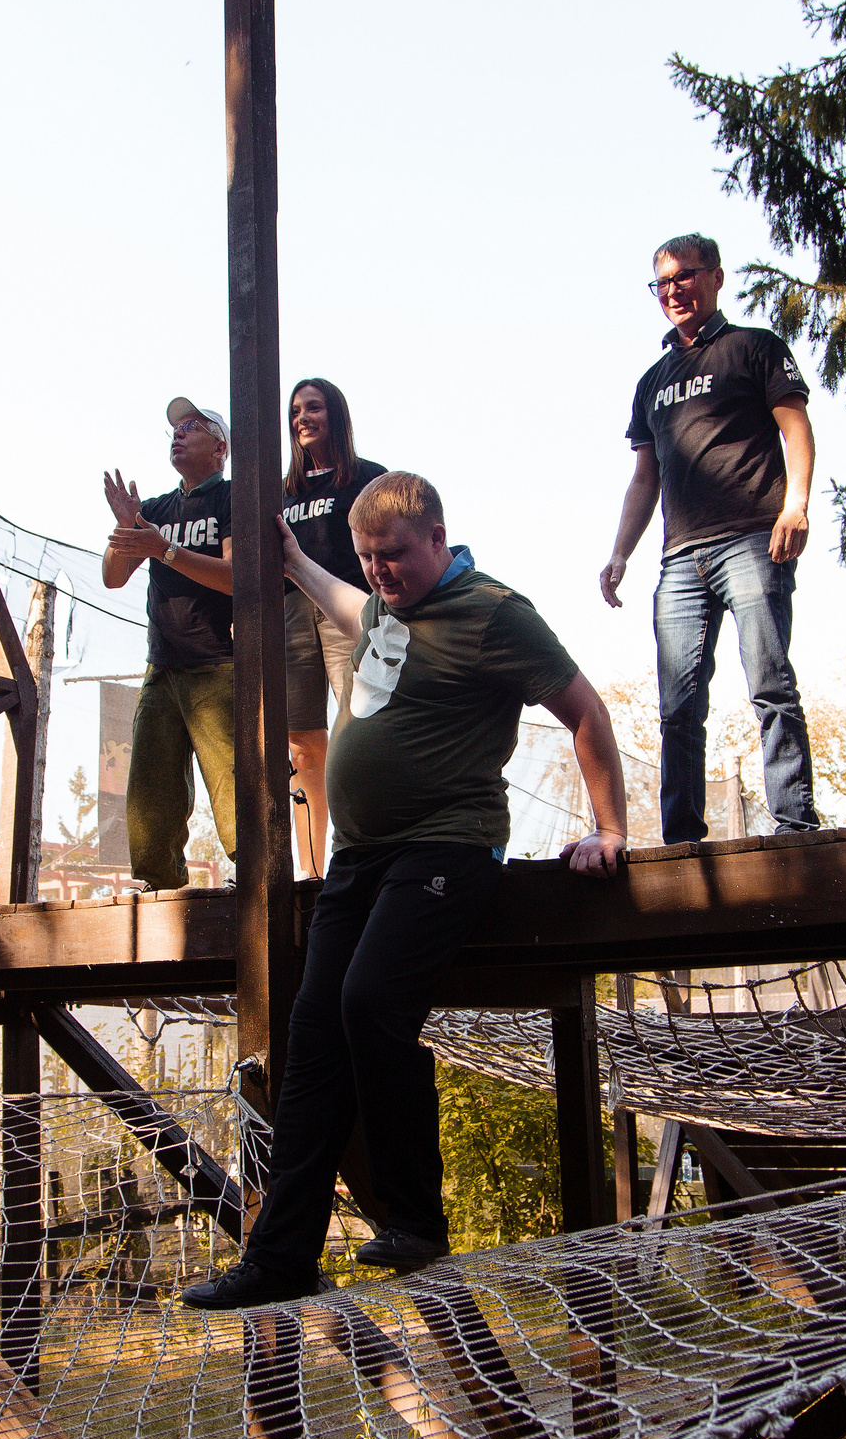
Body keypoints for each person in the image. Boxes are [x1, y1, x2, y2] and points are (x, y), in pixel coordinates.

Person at [183, 472, 629, 1310]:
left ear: (438, 539)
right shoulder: (389, 606)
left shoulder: (496, 613)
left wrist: (610, 827)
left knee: (366, 1002)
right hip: (359, 858)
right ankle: (279, 1257)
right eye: (366, 558)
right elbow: (352, 606)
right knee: (309, 1041)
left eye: (393, 555)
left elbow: (585, 713)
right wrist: (292, 562)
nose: (380, 571)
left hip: (447, 848)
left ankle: (417, 1217)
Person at [602, 233, 821, 845]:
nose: (674, 290)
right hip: (679, 560)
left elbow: (796, 427)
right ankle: (681, 840)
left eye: (685, 276)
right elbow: (645, 475)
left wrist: (796, 504)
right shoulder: (653, 380)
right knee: (678, 706)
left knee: (770, 682)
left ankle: (796, 826)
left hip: (753, 539)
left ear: (716, 277)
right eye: (662, 283)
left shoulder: (753, 349)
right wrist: (621, 552)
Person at [102, 397, 239, 890]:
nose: (179, 434)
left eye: (192, 426)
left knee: (231, 782)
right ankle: (158, 883)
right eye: (174, 430)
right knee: (151, 787)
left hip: (218, 665)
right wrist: (127, 526)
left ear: (220, 447)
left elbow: (238, 578)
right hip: (161, 667)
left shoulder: (232, 499)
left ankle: (255, 876)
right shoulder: (155, 509)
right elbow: (112, 576)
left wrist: (165, 548)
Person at [277, 377, 387, 877]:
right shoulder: (279, 492)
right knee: (302, 744)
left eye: (314, 407)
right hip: (290, 615)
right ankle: (312, 870)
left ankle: (359, 853)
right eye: (296, 410)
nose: (303, 417)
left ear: (336, 416)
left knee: (355, 730)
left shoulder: (367, 477)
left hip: (347, 610)